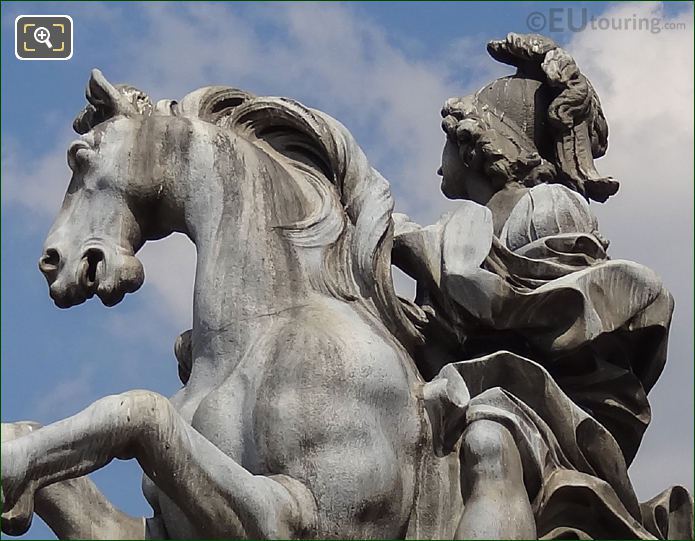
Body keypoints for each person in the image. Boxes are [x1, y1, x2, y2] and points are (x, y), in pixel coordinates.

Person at [394, 33, 692, 539]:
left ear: (475, 146)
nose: (436, 162)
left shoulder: (545, 205)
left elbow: (548, 301)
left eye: (446, 142)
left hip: (547, 407)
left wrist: (433, 258)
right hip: (462, 389)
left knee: (489, 439)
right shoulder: (463, 230)